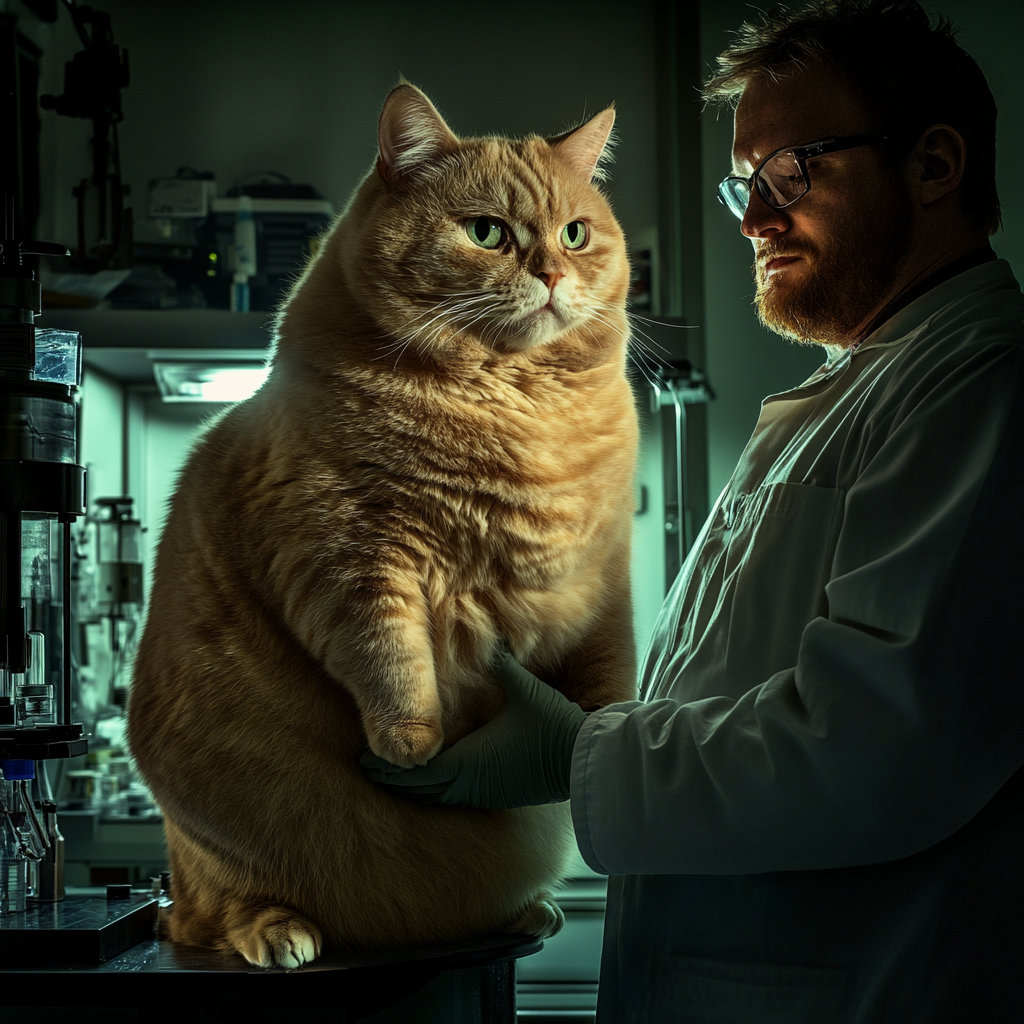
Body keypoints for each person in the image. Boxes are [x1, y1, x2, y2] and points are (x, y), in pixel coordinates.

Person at [364, 1, 1023, 1019]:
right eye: (743, 182)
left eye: (792, 171)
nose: (754, 217)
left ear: (933, 166)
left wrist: (572, 752)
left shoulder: (982, 386)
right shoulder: (864, 389)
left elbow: (875, 750)